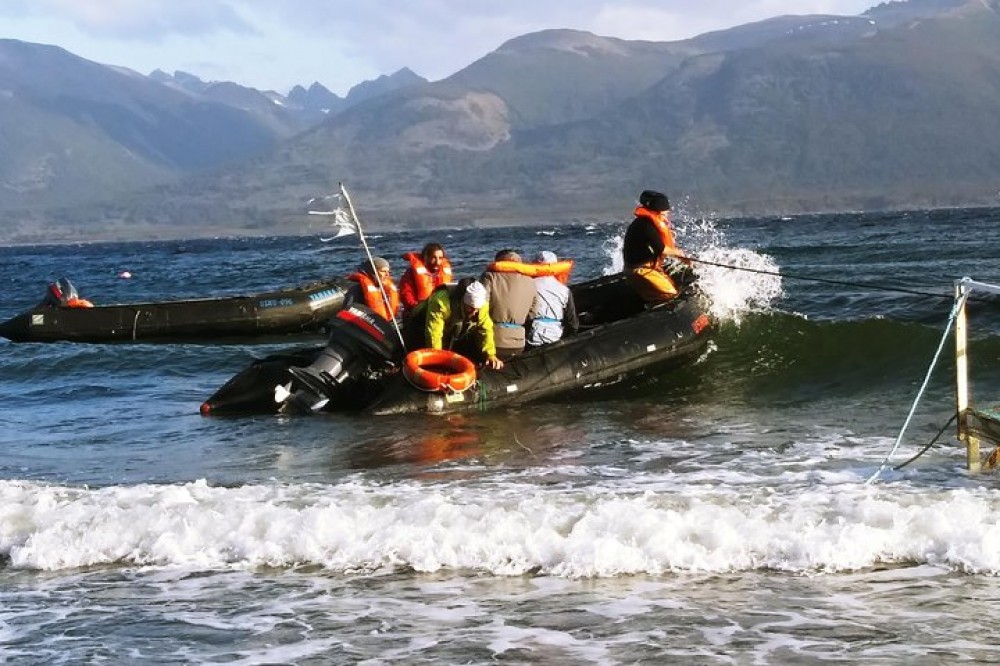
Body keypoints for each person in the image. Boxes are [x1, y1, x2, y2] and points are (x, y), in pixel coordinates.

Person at [406, 278, 503, 369]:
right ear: (463, 301)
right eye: (470, 308)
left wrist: (490, 354)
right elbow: (434, 333)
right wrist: (437, 359)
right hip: (420, 324)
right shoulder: (441, 302)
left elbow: (486, 329)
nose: (474, 312)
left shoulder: (482, 306)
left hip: (452, 330)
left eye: (477, 309)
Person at [622, 189, 693, 303]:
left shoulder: (647, 223)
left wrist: (681, 258)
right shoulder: (645, 226)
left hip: (647, 268)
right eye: (665, 213)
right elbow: (661, 249)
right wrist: (679, 253)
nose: (667, 216)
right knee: (670, 294)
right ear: (658, 212)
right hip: (639, 271)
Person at [480, 249, 538, 360]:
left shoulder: (489, 277)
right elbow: (533, 313)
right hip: (519, 342)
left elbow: (480, 306)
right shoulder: (531, 282)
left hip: (493, 341)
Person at [527, 251, 579, 346]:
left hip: (532, 335)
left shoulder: (528, 285)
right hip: (555, 335)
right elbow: (573, 323)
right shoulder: (564, 290)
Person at [398, 243, 453, 317]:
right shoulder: (411, 273)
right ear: (426, 258)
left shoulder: (444, 271)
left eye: (440, 258)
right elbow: (406, 294)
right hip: (418, 312)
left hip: (440, 311)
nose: (437, 262)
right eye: (434, 258)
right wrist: (418, 307)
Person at [345, 256, 399, 321]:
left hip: (385, 322)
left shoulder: (383, 287)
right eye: (383, 271)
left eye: (388, 272)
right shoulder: (356, 289)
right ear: (373, 272)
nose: (387, 274)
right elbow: (348, 310)